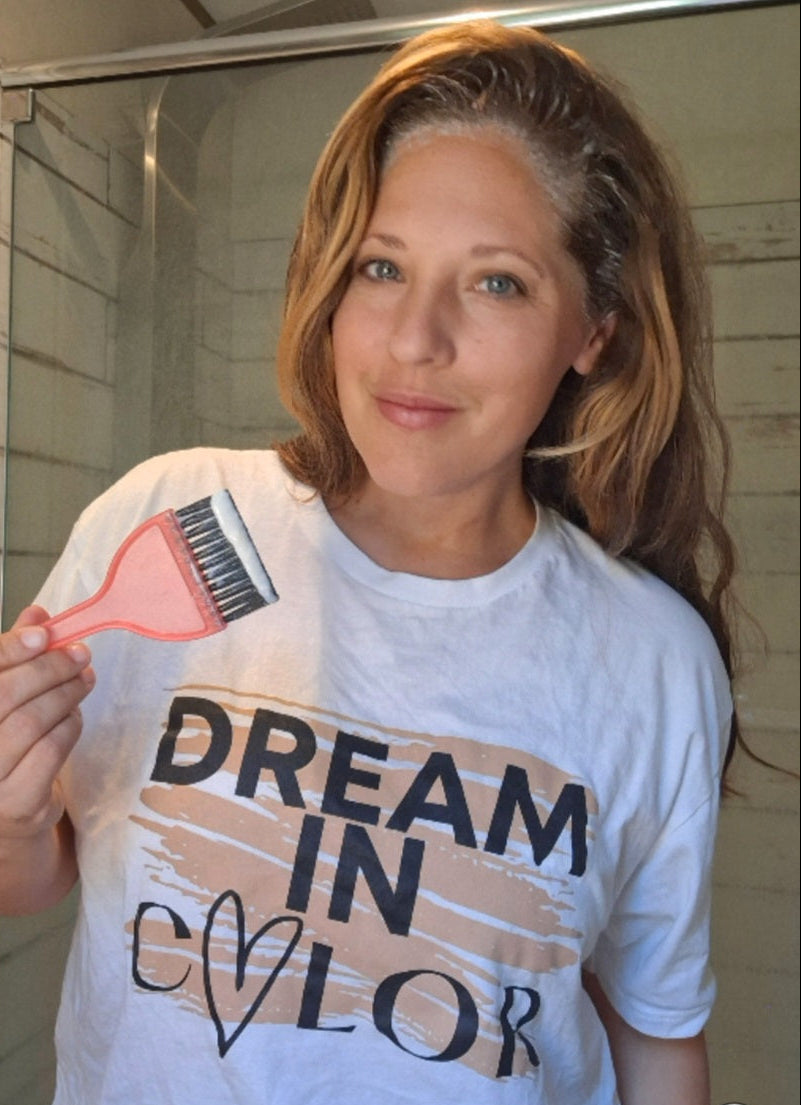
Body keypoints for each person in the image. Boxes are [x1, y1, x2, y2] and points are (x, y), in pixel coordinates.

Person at [0, 20, 739, 1105]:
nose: (413, 339)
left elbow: (657, 1034)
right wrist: (11, 815)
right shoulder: (168, 516)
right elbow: (31, 876)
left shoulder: (653, 660)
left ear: (594, 331)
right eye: (380, 266)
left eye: (496, 283)